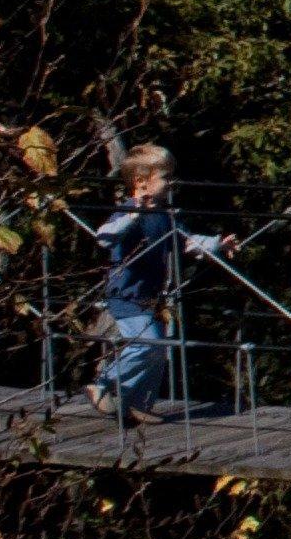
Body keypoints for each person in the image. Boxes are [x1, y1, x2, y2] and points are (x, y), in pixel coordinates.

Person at [92, 144, 233, 422]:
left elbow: (186, 242)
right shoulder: (129, 210)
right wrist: (133, 217)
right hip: (126, 293)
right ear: (141, 182)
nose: (172, 183)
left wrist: (217, 244)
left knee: (158, 351)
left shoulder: (166, 215)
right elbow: (104, 236)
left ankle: (136, 403)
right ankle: (102, 385)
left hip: (149, 295)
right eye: (166, 177)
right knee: (148, 345)